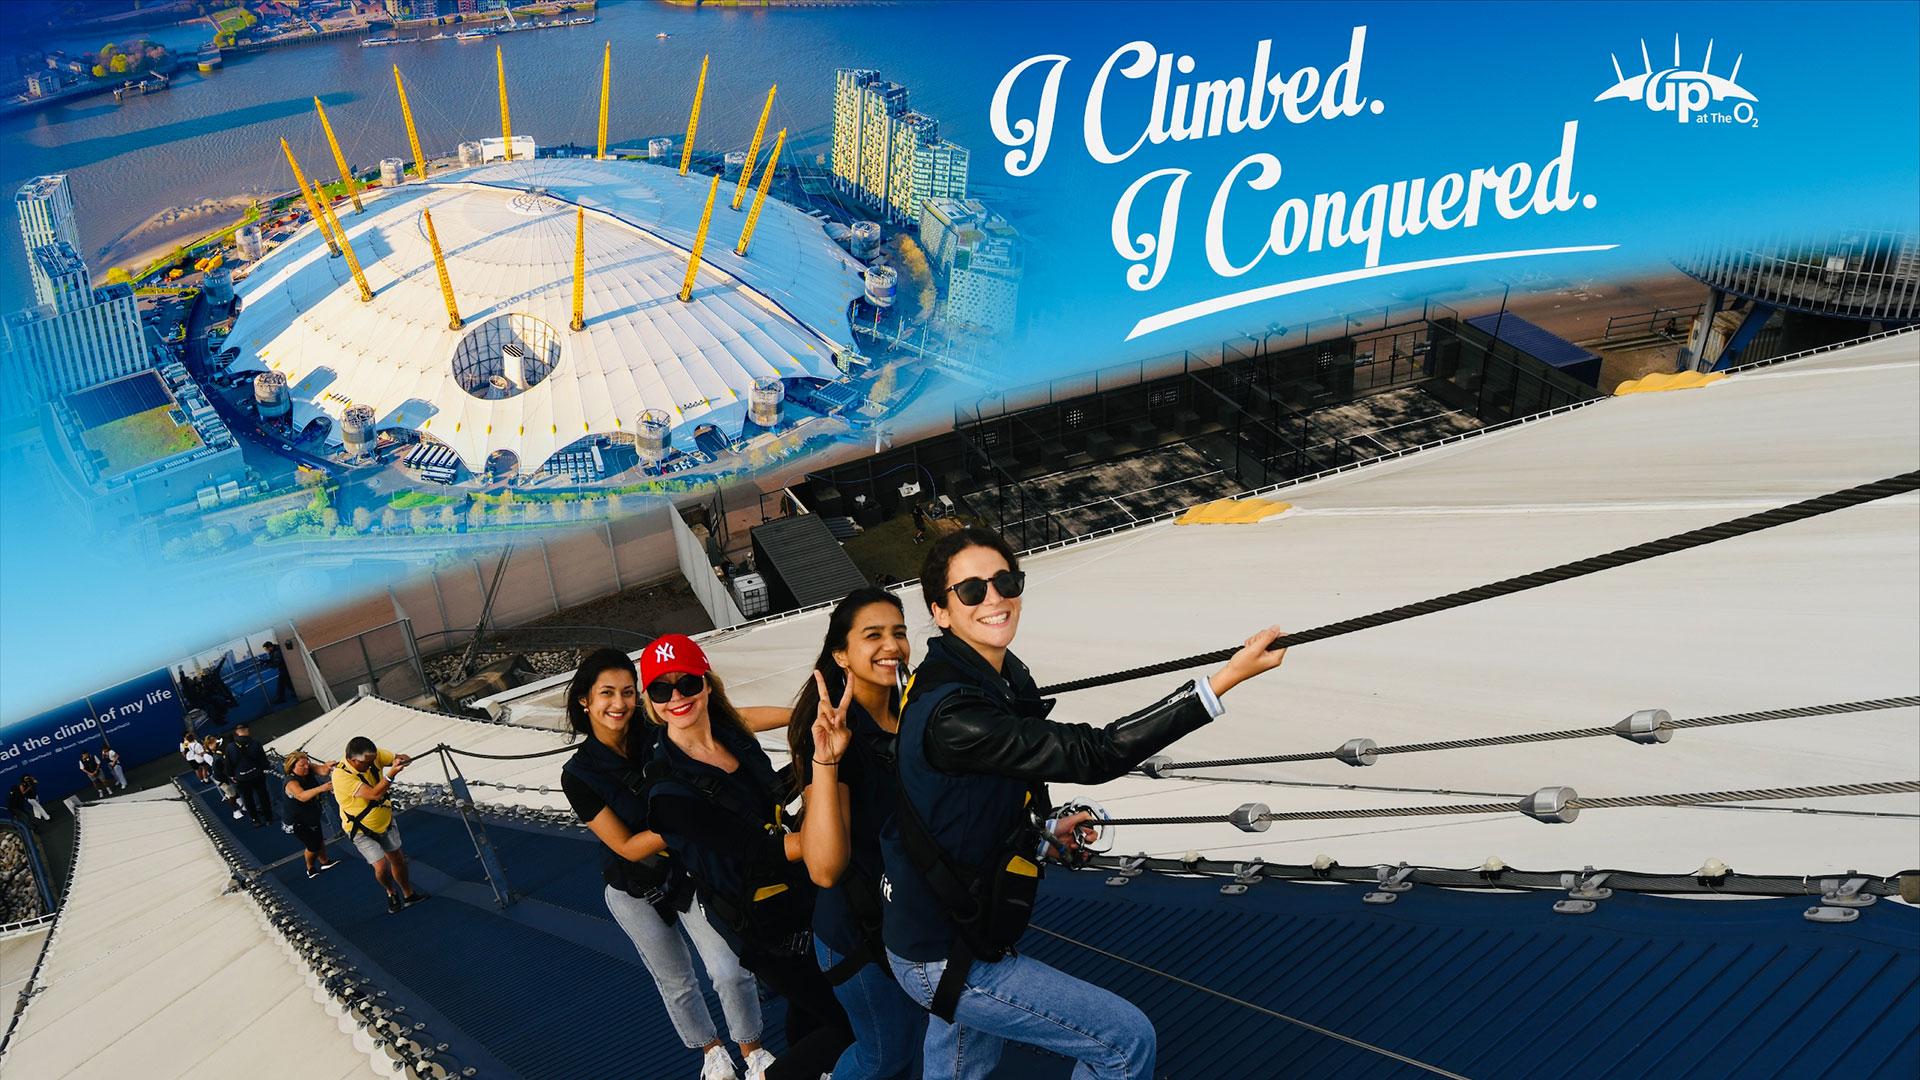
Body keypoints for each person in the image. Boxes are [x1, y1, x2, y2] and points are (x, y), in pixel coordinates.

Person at [879, 527, 1288, 1080]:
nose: (994, 597)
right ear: (942, 611)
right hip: (948, 952)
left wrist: (1043, 827)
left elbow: (962, 805)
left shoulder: (972, 679)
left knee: (960, 1069)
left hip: (942, 931)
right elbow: (1095, 753)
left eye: (1005, 581)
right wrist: (1227, 678)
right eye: (971, 590)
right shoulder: (957, 712)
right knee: (1124, 1042)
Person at [642, 634, 855, 1080]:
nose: (677, 697)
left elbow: (769, 797)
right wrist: (824, 836)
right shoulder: (667, 792)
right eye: (662, 689)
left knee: (809, 1007)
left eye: (687, 683)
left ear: (707, 684)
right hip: (758, 920)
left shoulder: (732, 738)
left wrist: (813, 728)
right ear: (650, 700)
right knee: (848, 1022)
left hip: (798, 896)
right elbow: (753, 850)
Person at [561, 649, 770, 1080]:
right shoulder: (578, 773)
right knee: (676, 981)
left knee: (728, 968)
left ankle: (753, 1053)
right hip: (632, 886)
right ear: (585, 700)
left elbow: (732, 723)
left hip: (687, 873)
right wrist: (689, 816)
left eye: (626, 691)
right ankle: (711, 1051)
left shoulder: (656, 728)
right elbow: (627, 846)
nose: (618, 703)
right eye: (606, 693)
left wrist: (805, 715)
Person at [783, 589, 927, 1080]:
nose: (892, 645)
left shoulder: (913, 711)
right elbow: (824, 868)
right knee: (884, 1053)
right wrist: (826, 758)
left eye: (899, 632)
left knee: (912, 1046)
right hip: (857, 929)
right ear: (840, 654)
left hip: (908, 917)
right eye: (874, 635)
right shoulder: (833, 733)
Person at [330, 736, 429, 914]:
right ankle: (391, 892)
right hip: (360, 829)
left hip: (384, 820)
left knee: (397, 858)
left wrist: (402, 760)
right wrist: (391, 775)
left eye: (372, 760)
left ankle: (409, 894)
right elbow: (375, 794)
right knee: (381, 867)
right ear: (353, 760)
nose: (371, 765)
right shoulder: (341, 777)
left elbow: (401, 758)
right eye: (366, 763)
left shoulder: (372, 757)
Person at [282, 752, 342, 878]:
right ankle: (310, 867)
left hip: (311, 813)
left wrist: (328, 765)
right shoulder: (291, 782)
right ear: (292, 767)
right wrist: (321, 788)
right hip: (296, 820)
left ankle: (325, 861)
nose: (306, 768)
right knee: (313, 845)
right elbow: (301, 796)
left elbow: (322, 770)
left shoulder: (308, 768)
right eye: (301, 766)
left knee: (319, 838)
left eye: (306, 764)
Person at [222, 722, 273, 825]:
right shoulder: (255, 743)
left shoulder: (230, 747)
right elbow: (263, 759)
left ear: (236, 732)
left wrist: (232, 775)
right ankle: (268, 818)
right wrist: (264, 768)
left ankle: (255, 820)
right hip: (257, 774)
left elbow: (228, 764)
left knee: (248, 799)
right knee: (263, 796)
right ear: (248, 730)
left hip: (242, 777)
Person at [207, 736, 244, 817]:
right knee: (232, 794)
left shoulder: (219, 752)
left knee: (234, 791)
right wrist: (231, 776)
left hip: (222, 775)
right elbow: (223, 768)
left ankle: (242, 804)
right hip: (220, 778)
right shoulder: (218, 755)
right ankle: (235, 811)